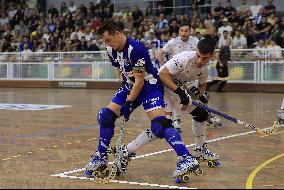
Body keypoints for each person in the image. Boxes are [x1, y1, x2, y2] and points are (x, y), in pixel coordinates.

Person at [85, 19, 201, 180]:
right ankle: (101, 157)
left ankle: (186, 158)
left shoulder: (136, 49)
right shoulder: (111, 50)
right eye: (105, 41)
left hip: (149, 86)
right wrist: (123, 91)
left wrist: (129, 102)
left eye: (108, 40)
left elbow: (140, 81)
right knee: (105, 116)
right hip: (130, 85)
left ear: (118, 34)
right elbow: (119, 70)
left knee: (160, 124)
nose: (107, 44)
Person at [120, 38, 220, 174]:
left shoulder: (204, 70)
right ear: (196, 52)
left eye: (204, 58)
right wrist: (180, 91)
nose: (199, 61)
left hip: (177, 92)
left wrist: (198, 93)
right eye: (198, 56)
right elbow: (162, 74)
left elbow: (202, 86)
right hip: (161, 89)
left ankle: (200, 148)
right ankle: (127, 150)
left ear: (211, 56)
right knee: (161, 126)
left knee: (201, 114)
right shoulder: (184, 59)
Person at [157, 22, 199, 133]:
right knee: (175, 96)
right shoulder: (173, 42)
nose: (184, 33)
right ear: (179, 31)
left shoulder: (196, 42)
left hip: (190, 75)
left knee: (197, 94)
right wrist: (164, 67)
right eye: (182, 31)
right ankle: (176, 120)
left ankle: (204, 115)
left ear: (190, 31)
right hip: (175, 75)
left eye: (186, 31)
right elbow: (160, 53)